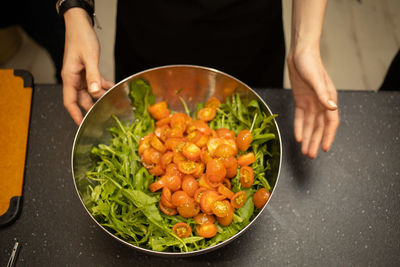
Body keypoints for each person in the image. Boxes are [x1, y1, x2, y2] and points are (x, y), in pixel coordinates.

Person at [59, 0, 339, 159]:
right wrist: (74, 9)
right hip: (150, 24)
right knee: (139, 122)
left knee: (253, 137)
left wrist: (305, 43)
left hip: (250, 30)